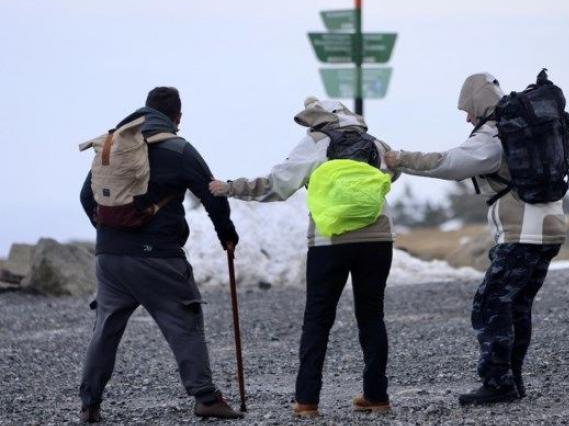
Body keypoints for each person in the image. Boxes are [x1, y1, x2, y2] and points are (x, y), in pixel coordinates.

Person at [385, 73, 567, 406]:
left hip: (522, 233)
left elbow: (450, 164)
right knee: (516, 306)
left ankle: (498, 383)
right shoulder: (526, 127)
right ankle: (512, 380)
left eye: (468, 110)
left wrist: (401, 159)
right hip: (551, 226)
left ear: (479, 104)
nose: (468, 117)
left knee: (490, 306)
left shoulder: (495, 134)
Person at [209, 97, 398, 418]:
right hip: (377, 237)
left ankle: (308, 401)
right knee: (372, 315)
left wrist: (230, 187)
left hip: (329, 240)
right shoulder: (376, 143)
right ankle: (377, 396)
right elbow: (393, 174)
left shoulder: (315, 142)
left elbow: (276, 186)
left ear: (318, 119)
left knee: (318, 319)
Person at [79, 87, 242, 422]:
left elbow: (87, 196)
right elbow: (212, 194)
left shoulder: (113, 146)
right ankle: (206, 398)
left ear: (144, 111)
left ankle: (90, 404)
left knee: (106, 328)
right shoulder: (178, 148)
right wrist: (227, 234)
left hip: (109, 257)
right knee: (184, 321)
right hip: (159, 258)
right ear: (177, 117)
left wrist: (110, 234)